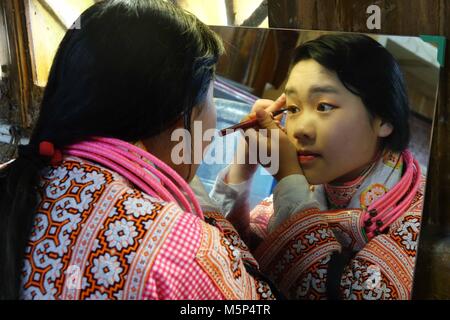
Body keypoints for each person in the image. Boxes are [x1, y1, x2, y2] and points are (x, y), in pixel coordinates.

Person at [0, 0, 288, 300]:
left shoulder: (16, 178)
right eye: (212, 96)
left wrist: (240, 170)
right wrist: (291, 177)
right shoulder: (181, 249)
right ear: (179, 119)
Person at [210, 33, 425, 300]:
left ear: (384, 119)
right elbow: (228, 261)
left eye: (323, 106)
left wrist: (289, 177)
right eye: (293, 108)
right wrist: (243, 167)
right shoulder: (310, 189)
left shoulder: (417, 219)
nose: (299, 130)